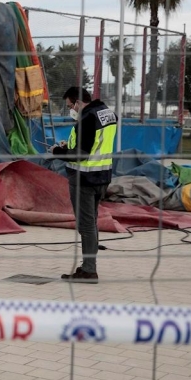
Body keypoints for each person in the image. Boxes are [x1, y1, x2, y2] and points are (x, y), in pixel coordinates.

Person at [51, 87, 117, 284]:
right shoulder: (108, 114)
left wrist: (58, 152)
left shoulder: (86, 119)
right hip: (102, 177)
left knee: (86, 226)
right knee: (92, 223)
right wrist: (69, 147)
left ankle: (89, 270)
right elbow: (96, 145)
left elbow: (82, 154)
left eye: (71, 106)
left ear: (78, 102)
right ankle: (88, 266)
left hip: (84, 180)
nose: (71, 109)